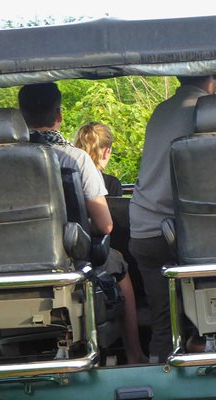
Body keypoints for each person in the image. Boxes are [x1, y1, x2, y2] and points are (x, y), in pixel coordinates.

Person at [128, 74, 216, 363]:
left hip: (144, 226)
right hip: (190, 234)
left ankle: (159, 374)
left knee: (163, 324)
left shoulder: (161, 110)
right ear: (214, 78)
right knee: (211, 314)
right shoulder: (209, 111)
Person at [75, 121, 147, 364]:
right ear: (106, 151)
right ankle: (134, 352)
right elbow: (105, 226)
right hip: (88, 253)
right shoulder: (109, 182)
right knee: (120, 266)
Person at [18, 82, 112, 235]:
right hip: (65, 254)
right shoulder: (76, 159)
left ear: (20, 116)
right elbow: (105, 226)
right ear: (58, 115)